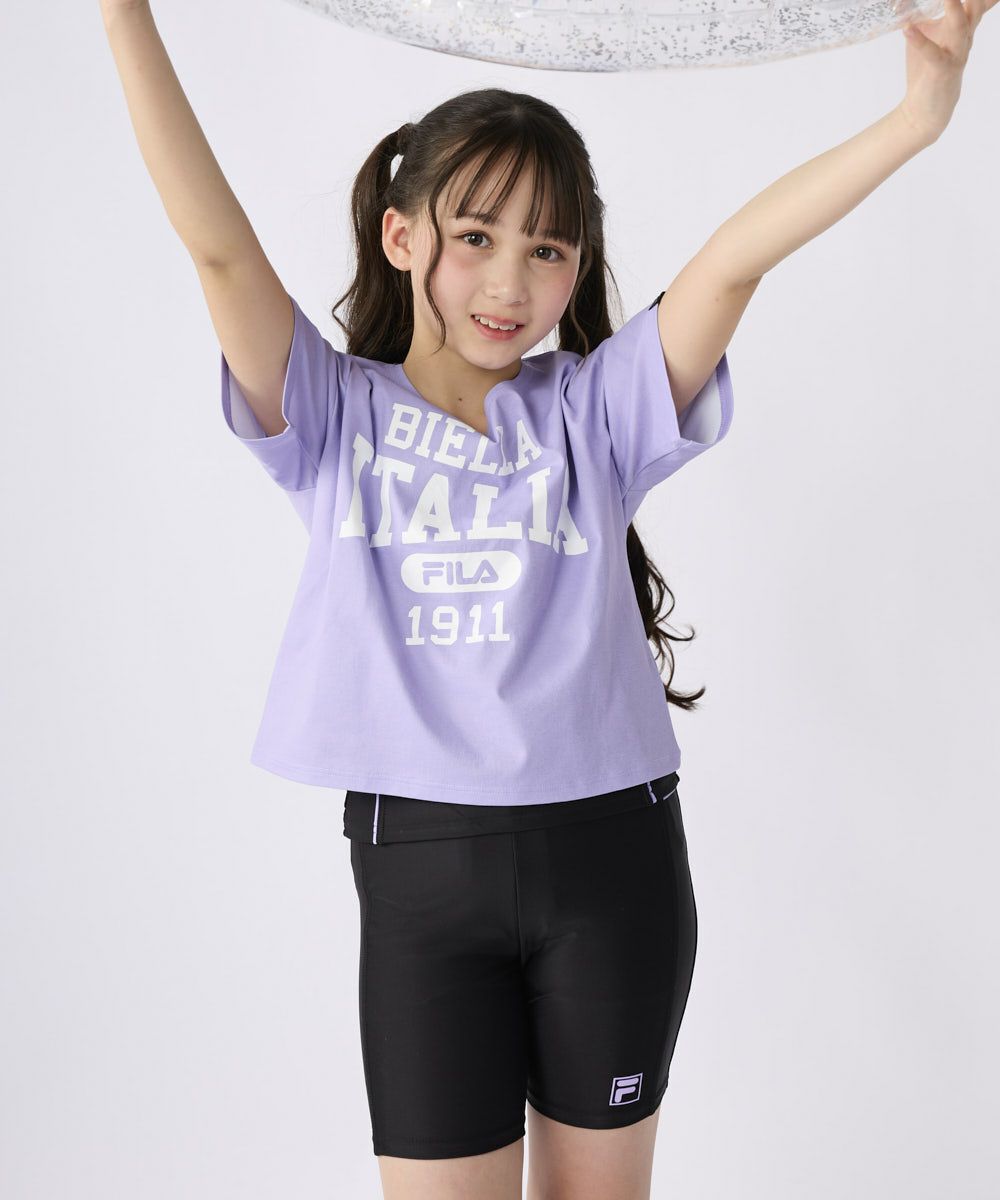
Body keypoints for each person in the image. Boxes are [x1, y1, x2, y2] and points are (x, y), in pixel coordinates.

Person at [100, 1, 992, 1195]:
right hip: (420, 877)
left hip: (611, 868)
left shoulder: (596, 412)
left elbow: (733, 259)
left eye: (549, 250)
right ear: (401, 235)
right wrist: (122, 10)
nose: (510, 283)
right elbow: (217, 249)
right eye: (476, 236)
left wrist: (918, 116)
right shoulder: (330, 415)